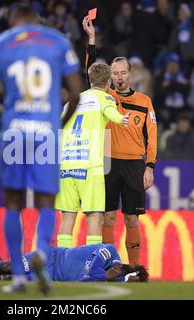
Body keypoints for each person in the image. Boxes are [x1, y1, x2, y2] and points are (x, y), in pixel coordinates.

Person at [0, 5, 82, 294]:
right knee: (47, 201)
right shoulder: (58, 41)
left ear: (13, 20)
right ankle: (42, 255)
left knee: (13, 202)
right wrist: (58, 122)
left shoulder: (1, 43)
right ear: (38, 20)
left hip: (14, 133)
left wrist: (5, 117)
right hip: (45, 133)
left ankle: (19, 278)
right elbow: (75, 92)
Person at [83, 16, 157, 267]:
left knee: (132, 220)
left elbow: (152, 136)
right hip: (108, 163)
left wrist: (150, 166)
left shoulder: (145, 102)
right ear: (111, 77)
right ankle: (109, 266)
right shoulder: (105, 96)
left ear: (130, 74)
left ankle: (134, 268)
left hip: (134, 165)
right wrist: (91, 40)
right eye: (115, 74)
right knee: (108, 218)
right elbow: (91, 73)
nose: (119, 77)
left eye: (123, 73)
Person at [56, 62, 130, 248]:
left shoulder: (71, 102)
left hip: (66, 165)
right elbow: (110, 112)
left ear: (89, 80)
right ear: (109, 82)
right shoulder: (104, 98)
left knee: (67, 218)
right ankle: (91, 266)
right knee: (95, 217)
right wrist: (122, 119)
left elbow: (57, 129)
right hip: (90, 166)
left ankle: (61, 266)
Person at [0, 244, 149, 283]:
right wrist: (105, 276)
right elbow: (91, 273)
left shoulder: (114, 280)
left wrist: (106, 278)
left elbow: (85, 280)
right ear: (121, 267)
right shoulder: (108, 251)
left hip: (51, 277)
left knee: (3, 279)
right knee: (8, 267)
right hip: (51, 256)